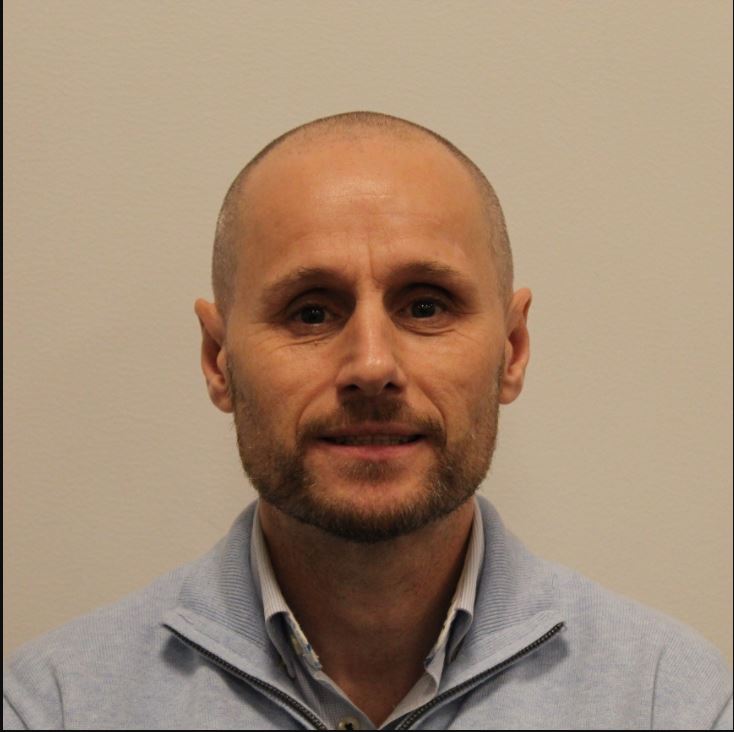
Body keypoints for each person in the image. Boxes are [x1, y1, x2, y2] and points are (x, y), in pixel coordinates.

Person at [3, 111, 731, 730]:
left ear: (511, 350)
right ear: (218, 359)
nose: (372, 365)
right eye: (311, 312)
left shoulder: (671, 702)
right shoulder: (53, 706)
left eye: (426, 306)